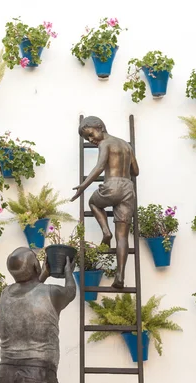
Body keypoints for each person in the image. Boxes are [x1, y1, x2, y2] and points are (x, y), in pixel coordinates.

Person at [0, 247, 76, 383]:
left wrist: (44, 273)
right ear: (36, 266)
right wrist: (68, 273)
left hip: (5, 375)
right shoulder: (52, 292)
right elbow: (70, 292)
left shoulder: (5, 294)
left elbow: (30, 292)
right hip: (38, 374)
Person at [71, 116, 139, 288]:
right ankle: (120, 276)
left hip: (112, 185)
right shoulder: (126, 145)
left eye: (91, 135)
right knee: (122, 236)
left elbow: (100, 166)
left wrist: (83, 186)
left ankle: (105, 232)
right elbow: (136, 171)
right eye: (88, 139)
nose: (91, 140)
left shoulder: (105, 144)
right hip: (128, 188)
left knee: (93, 203)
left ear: (100, 127)